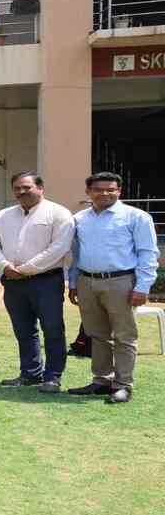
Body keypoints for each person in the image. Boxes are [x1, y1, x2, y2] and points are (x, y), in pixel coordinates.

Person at [67, 172, 160, 404]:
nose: (105, 193)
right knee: (97, 335)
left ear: (119, 191)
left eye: (111, 189)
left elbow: (147, 253)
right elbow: (76, 254)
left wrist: (143, 286)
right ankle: (101, 380)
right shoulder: (79, 219)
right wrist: (73, 282)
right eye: (99, 189)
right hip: (87, 282)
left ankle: (123, 385)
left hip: (122, 282)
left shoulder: (135, 217)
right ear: (88, 192)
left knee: (124, 336)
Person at [0, 172, 75, 392]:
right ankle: (30, 373)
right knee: (23, 330)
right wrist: (5, 266)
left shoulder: (59, 213)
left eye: (27, 187)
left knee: (52, 329)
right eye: (17, 188)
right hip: (13, 281)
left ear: (40, 188)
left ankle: (52, 376)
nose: (22, 192)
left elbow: (58, 249)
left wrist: (25, 269)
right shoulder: (4, 215)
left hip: (46, 281)